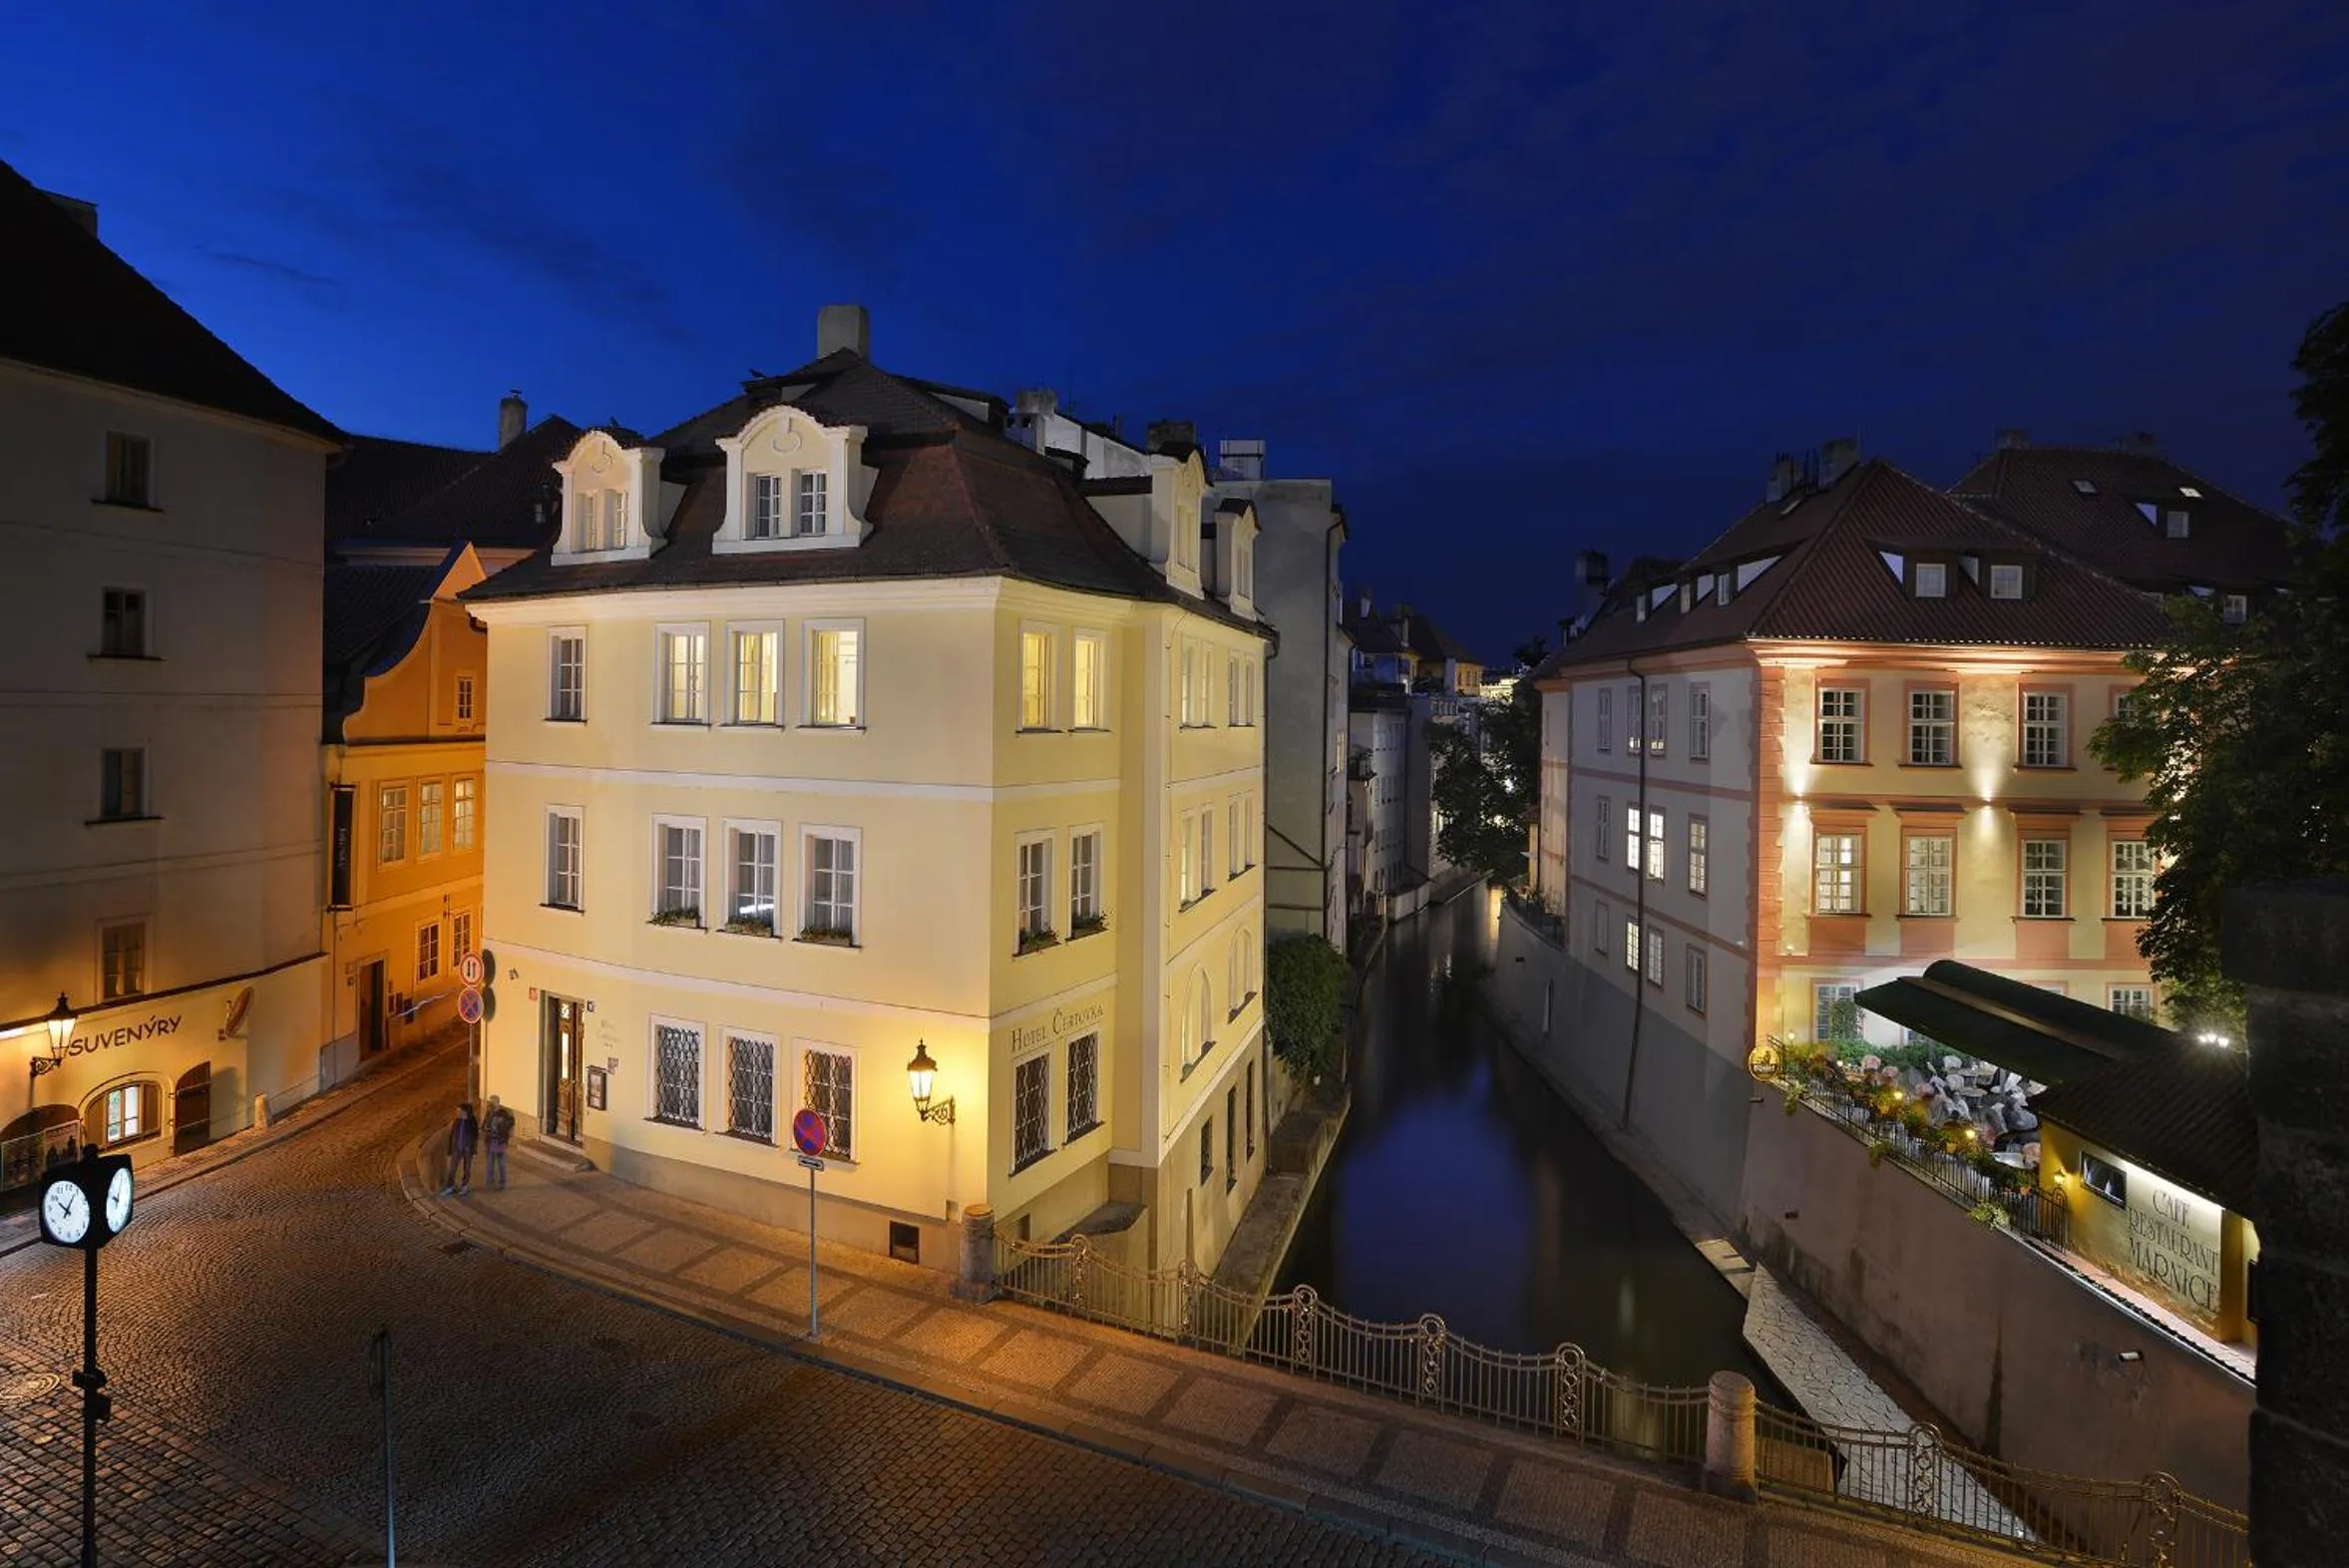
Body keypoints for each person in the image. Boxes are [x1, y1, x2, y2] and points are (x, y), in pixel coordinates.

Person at [440, 1101, 479, 1197]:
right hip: (456, 1149)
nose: (457, 1112)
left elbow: (475, 1136)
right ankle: (450, 1187)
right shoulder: (457, 1121)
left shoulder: (472, 1122)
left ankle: (464, 1186)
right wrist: (450, 1149)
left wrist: (474, 1149)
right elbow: (452, 1135)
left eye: (459, 1111)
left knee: (467, 1169)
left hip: (467, 1149)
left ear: (465, 1112)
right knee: (452, 1169)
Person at [482, 1094, 516, 1191]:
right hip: (490, 1141)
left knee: (501, 1164)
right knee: (490, 1164)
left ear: (498, 1102)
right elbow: (484, 1124)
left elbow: (509, 1125)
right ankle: (490, 1184)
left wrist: (508, 1137)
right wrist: (485, 1129)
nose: (491, 1104)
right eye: (490, 1102)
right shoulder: (489, 1113)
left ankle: (502, 1184)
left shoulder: (504, 1113)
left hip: (500, 1142)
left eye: (493, 1102)